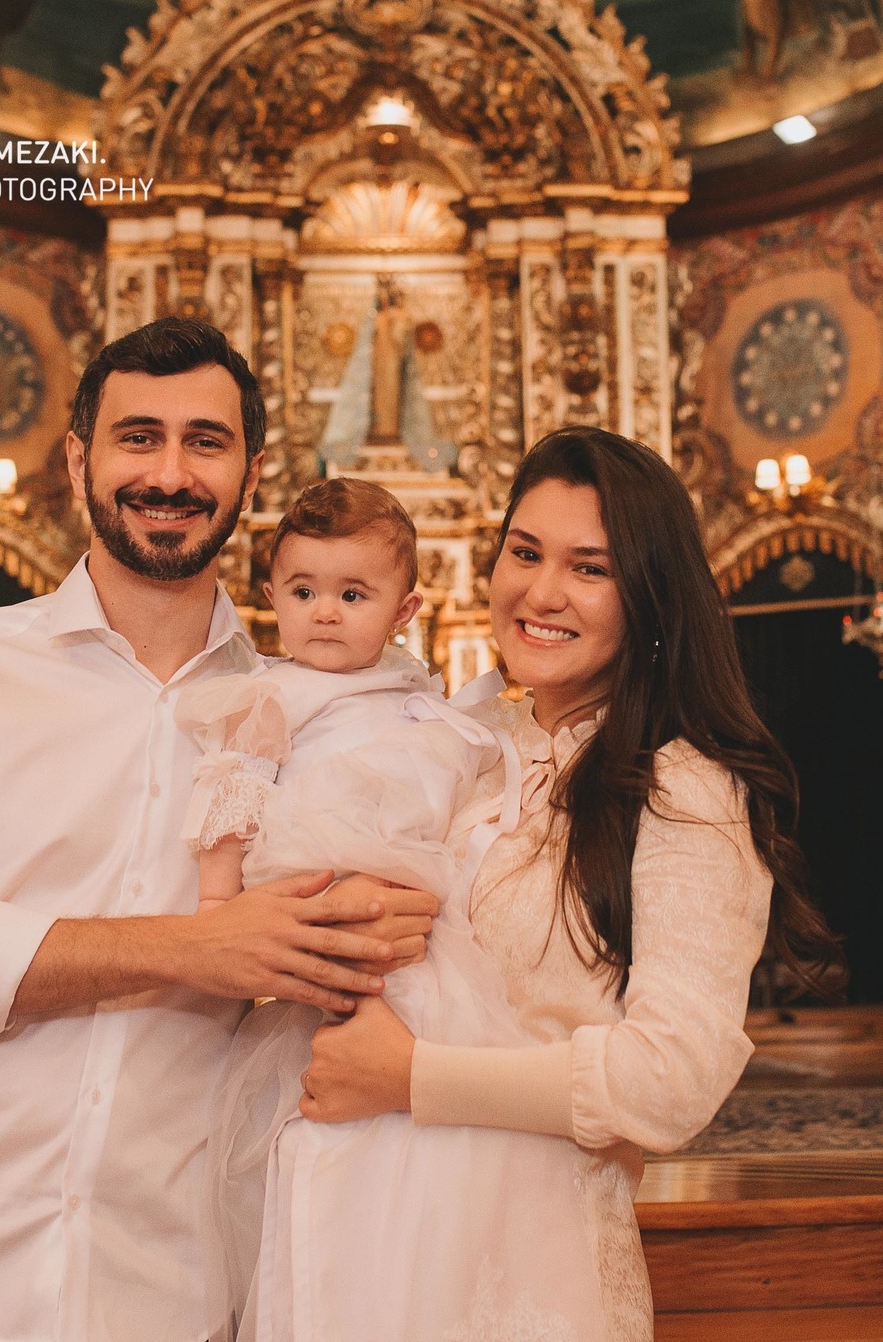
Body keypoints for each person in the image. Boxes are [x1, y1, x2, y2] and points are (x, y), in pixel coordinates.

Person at [0, 318, 436, 1342]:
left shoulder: (309, 711)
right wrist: (199, 947)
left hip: (164, 1282)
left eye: (205, 442)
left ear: (251, 471)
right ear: (78, 457)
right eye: (138, 436)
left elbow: (380, 903)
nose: (170, 472)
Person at [298, 426, 844, 1340]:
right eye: (525, 552)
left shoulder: (683, 788)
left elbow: (670, 1080)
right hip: (368, 1239)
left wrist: (409, 1079)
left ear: (650, 596)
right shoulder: (467, 747)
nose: (540, 593)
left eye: (589, 568)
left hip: (527, 1268)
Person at [180, 478, 610, 1341]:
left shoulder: (430, 699)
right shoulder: (271, 697)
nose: (326, 615)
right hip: (315, 898)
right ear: (271, 598)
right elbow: (233, 801)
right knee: (327, 1143)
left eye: (352, 595)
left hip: (432, 934)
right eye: (303, 593)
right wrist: (216, 914)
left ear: (405, 606)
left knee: (449, 1126)